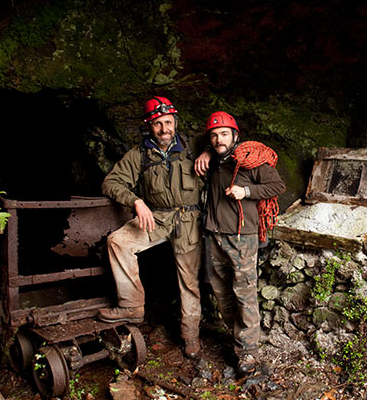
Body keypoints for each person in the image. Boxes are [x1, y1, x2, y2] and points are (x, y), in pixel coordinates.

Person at [99, 96, 204, 359]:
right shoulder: (138, 155)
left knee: (188, 281)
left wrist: (209, 152)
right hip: (156, 218)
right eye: (158, 123)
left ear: (175, 122)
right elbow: (111, 183)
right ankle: (132, 305)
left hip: (189, 221)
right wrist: (136, 201)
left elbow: (225, 142)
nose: (164, 129)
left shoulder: (192, 147)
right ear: (149, 125)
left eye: (168, 122)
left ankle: (190, 336)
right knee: (118, 241)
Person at [195, 111, 285, 375]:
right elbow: (205, 150)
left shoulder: (249, 160)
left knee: (244, 292)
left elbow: (277, 185)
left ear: (235, 135)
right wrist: (206, 152)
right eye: (213, 135)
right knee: (220, 289)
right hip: (214, 234)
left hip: (242, 236)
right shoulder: (213, 160)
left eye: (224, 134)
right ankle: (240, 335)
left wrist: (246, 191)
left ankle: (247, 351)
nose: (218, 139)